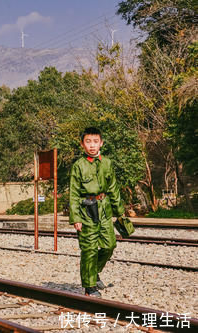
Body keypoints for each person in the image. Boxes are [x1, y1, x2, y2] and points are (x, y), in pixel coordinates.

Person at [69, 127, 125, 297]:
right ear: (82, 144)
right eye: (88, 141)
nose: (92, 145)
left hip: (104, 209)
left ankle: (93, 272)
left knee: (109, 246)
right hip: (86, 210)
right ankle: (89, 286)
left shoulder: (107, 163)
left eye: (95, 141)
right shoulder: (79, 166)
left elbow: (114, 188)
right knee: (89, 249)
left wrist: (120, 212)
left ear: (101, 143)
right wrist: (76, 218)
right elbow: (73, 193)